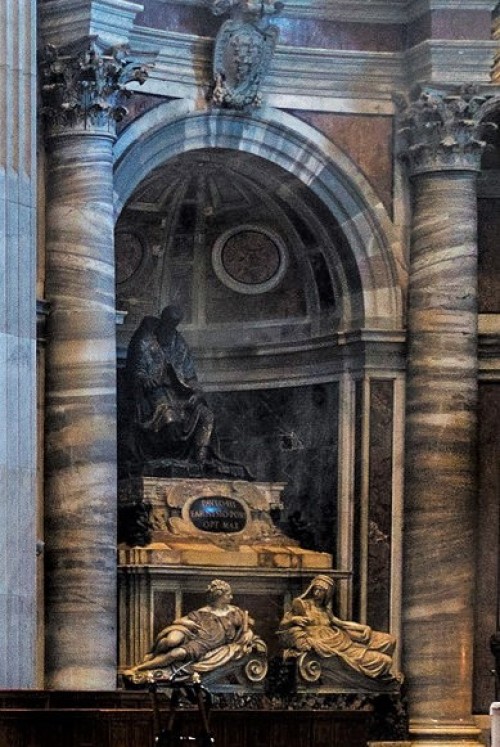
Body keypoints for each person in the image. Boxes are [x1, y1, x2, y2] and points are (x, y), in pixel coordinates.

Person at [125, 305, 214, 464]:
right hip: (154, 394)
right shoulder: (144, 340)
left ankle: (200, 461)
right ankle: (166, 461)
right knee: (169, 418)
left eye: (173, 326)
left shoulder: (179, 343)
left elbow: (190, 375)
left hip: (179, 394)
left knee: (206, 416)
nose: (169, 330)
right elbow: (135, 372)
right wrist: (146, 380)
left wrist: (196, 391)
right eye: (167, 324)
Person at [128, 580, 262, 676]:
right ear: (219, 597)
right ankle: (153, 655)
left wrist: (246, 632)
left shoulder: (234, 612)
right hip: (195, 635)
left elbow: (248, 627)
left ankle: (140, 667)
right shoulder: (202, 612)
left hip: (204, 645)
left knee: (176, 654)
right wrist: (188, 624)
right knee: (171, 640)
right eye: (228, 595)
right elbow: (178, 620)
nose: (231, 597)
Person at [277, 575, 396, 680]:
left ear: (327, 593)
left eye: (321, 590)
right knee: (383, 660)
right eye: (315, 589)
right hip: (321, 644)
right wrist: (294, 619)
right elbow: (283, 625)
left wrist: (363, 627)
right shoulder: (302, 604)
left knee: (387, 647)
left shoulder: (326, 610)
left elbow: (341, 623)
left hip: (339, 640)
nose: (317, 593)